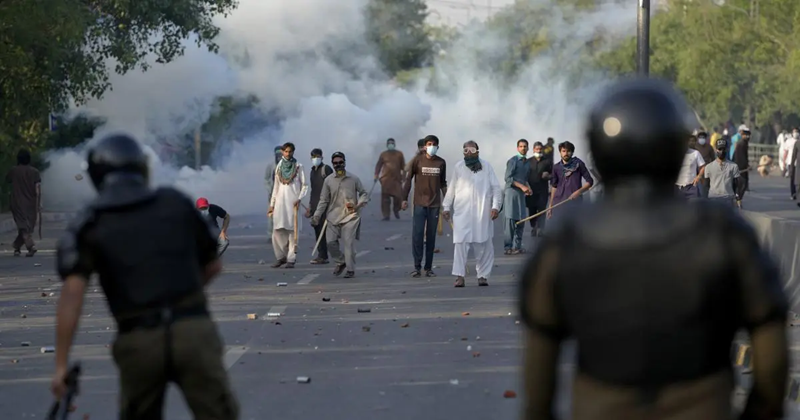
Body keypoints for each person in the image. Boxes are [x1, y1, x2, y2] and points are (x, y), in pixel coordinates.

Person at [519, 78, 788, 420]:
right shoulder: (723, 232)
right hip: (702, 404)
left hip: (602, 405)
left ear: (599, 148)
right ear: (674, 147)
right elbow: (768, 330)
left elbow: (541, 353)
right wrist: (763, 410)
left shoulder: (569, 238)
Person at [51, 133, 238, 420]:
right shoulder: (175, 203)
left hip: (139, 340)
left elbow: (72, 294)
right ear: (143, 168)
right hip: (193, 330)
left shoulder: (89, 222)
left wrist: (61, 365)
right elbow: (213, 266)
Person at [442, 141, 502, 287]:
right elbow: (451, 189)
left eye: (472, 149)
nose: (469, 152)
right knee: (460, 244)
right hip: (462, 213)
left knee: (483, 244)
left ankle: (482, 276)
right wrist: (446, 206)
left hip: (482, 213)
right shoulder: (459, 167)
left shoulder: (486, 167)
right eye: (466, 150)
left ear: (477, 151)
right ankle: (459, 276)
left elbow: (496, 188)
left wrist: (495, 207)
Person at [311, 152, 369, 278]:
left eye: (340, 162)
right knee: (330, 243)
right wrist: (316, 216)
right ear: (333, 164)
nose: (338, 165)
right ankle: (340, 261)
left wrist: (358, 205)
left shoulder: (353, 179)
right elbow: (323, 200)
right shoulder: (328, 180)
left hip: (350, 216)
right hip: (333, 217)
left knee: (348, 244)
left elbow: (364, 193)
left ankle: (350, 269)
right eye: (335, 163)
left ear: (345, 162)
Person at [402, 135, 447, 278]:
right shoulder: (417, 160)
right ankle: (417, 267)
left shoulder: (441, 162)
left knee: (431, 237)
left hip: (434, 205)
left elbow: (443, 183)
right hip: (420, 204)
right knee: (418, 235)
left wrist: (448, 203)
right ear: (425, 146)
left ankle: (428, 268)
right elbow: (408, 180)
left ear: (437, 146)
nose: (431, 146)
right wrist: (404, 199)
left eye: (434, 144)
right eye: (429, 144)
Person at [268, 142, 308, 268]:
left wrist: (300, 198)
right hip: (280, 202)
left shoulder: (298, 166)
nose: (287, 154)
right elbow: (276, 186)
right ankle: (281, 257)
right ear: (282, 152)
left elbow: (305, 184)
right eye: (285, 151)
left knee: (293, 231)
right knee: (277, 231)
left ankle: (291, 259)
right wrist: (272, 204)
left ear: (293, 152)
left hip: (293, 202)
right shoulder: (279, 166)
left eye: (290, 151)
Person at [5, 149, 41, 257]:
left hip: (17, 202)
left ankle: (16, 246)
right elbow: (38, 189)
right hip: (31, 203)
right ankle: (30, 246)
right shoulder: (35, 172)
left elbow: (7, 180)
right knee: (26, 227)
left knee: (24, 227)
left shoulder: (14, 171)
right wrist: (39, 203)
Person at [546, 141, 593, 223]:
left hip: (574, 204)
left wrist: (578, 192)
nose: (566, 153)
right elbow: (554, 186)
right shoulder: (556, 167)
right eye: (563, 151)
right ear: (560, 152)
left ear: (572, 152)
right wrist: (550, 206)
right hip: (559, 203)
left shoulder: (579, 164)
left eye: (568, 151)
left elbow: (590, 182)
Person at [503, 139, 531, 254]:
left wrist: (528, 187)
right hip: (511, 195)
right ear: (517, 148)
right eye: (521, 146)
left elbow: (525, 179)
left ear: (527, 148)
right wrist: (522, 186)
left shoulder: (527, 163)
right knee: (510, 220)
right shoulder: (513, 161)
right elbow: (508, 178)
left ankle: (517, 246)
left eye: (525, 146)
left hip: (521, 195)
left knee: (521, 219)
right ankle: (508, 247)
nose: (523, 148)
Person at [306, 148, 333, 264]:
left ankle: (325, 255)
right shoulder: (312, 171)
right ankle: (322, 255)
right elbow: (313, 190)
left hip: (326, 205)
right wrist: (310, 207)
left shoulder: (326, 169)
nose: (315, 158)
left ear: (322, 157)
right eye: (313, 156)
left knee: (326, 231)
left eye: (317, 156)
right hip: (316, 205)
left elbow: (334, 185)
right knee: (318, 230)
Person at [374, 138, 405, 221]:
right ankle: (386, 215)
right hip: (386, 180)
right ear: (387, 145)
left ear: (394, 144)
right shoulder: (383, 154)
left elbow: (403, 167)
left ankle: (396, 210)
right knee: (385, 199)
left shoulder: (399, 154)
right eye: (389, 143)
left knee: (398, 197)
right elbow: (378, 165)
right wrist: (376, 175)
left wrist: (404, 176)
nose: (391, 144)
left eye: (392, 143)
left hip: (396, 179)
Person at [704, 137, 741, 207]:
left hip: (728, 199)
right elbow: (706, 186)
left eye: (723, 149)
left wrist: (738, 199)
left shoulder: (733, 166)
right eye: (719, 149)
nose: (722, 151)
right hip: (713, 199)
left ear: (727, 149)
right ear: (716, 149)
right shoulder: (708, 167)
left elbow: (736, 185)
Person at [526, 141, 552, 237]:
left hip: (543, 190)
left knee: (541, 209)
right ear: (533, 150)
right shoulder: (528, 162)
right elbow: (524, 175)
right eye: (537, 149)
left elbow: (553, 174)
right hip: (531, 191)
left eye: (540, 149)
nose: (538, 150)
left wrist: (548, 176)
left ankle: (541, 228)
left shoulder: (547, 161)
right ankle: (533, 226)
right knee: (532, 209)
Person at [264, 145, 282, 234]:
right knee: (272, 214)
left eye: (281, 155)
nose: (279, 157)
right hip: (273, 194)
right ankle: (271, 233)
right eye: (277, 155)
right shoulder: (270, 166)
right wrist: (269, 189)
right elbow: (266, 179)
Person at [732, 126, 751, 207]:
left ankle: (738, 199)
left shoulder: (744, 143)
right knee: (741, 184)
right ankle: (737, 200)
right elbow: (739, 157)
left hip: (743, 167)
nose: (747, 137)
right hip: (740, 168)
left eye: (748, 135)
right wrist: (743, 167)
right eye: (745, 135)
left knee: (743, 184)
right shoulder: (741, 143)